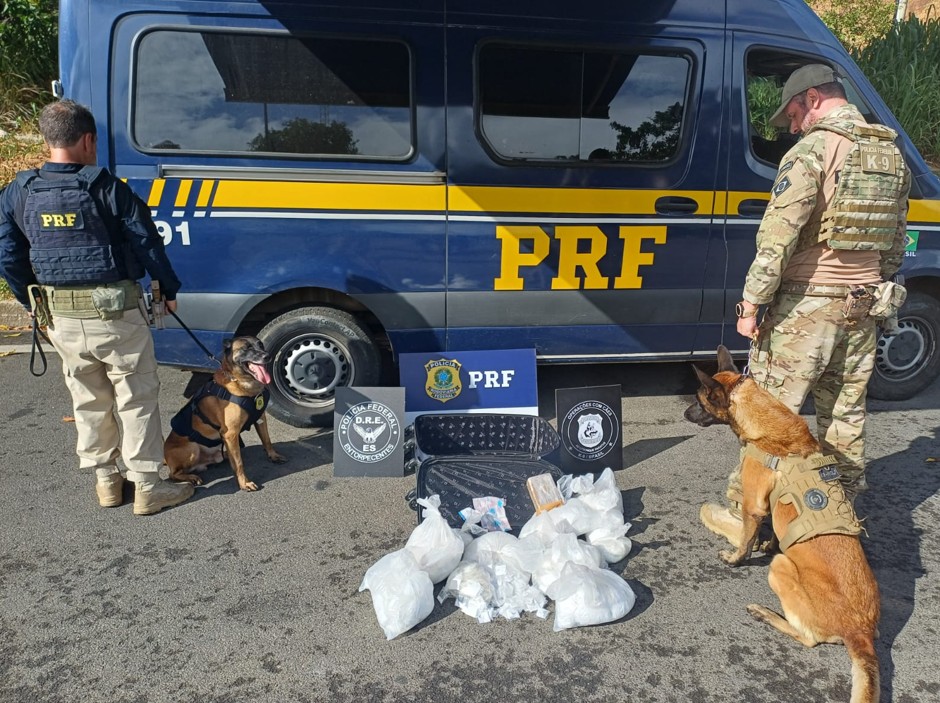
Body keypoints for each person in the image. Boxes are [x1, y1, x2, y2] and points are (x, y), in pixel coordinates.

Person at [700, 64, 911, 545]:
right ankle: (834, 519)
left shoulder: (814, 150)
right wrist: (873, 283)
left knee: (769, 418)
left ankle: (745, 517)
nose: (793, 126)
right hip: (862, 308)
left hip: (805, 312)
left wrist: (751, 305)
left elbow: (778, 236)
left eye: (794, 113)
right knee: (844, 418)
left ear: (813, 98)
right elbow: (897, 239)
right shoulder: (888, 152)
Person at [0, 99, 194, 515]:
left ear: (48, 139)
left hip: (61, 318)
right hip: (117, 314)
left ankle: (107, 483)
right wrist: (169, 287)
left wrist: (30, 300)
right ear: (88, 139)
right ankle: (146, 486)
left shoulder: (18, 191)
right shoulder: (107, 188)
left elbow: (8, 256)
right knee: (135, 397)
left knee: (87, 399)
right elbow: (147, 243)